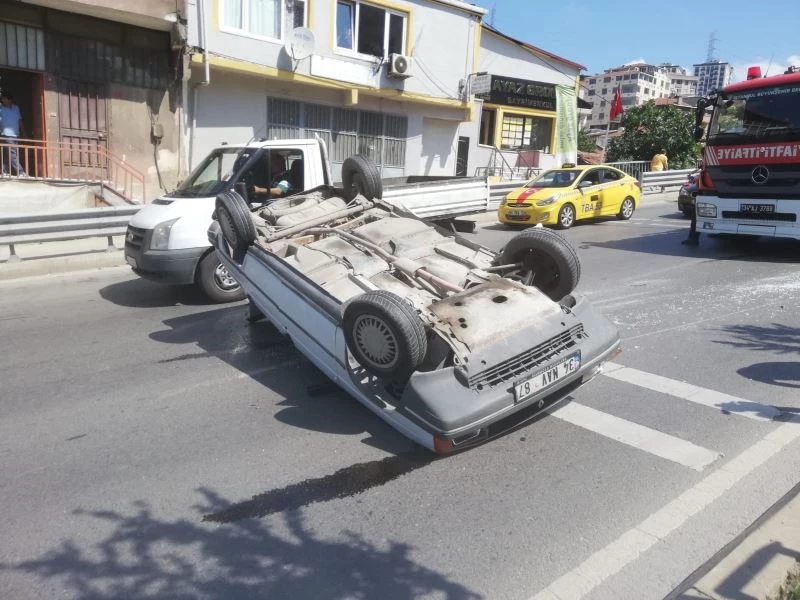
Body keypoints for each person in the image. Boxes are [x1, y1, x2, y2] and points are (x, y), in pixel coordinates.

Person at [0, 91, 27, 176]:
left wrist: (23, 133)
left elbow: (19, 121)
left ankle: (4, 172)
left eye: (4, 99)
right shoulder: (1, 109)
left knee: (8, 153)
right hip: (6, 135)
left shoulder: (16, 108)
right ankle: (21, 172)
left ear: (9, 99)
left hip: (15, 135)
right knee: (12, 154)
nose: (2, 100)